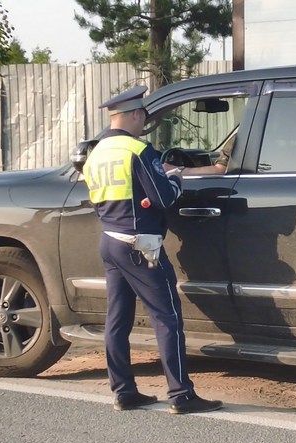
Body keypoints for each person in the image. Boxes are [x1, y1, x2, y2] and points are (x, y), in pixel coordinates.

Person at [83, 85, 223, 414]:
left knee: (117, 321)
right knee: (168, 317)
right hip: (139, 246)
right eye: (143, 115)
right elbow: (162, 197)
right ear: (134, 114)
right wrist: (175, 179)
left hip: (110, 241)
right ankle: (181, 395)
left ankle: (124, 392)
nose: (143, 121)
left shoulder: (96, 153)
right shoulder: (137, 150)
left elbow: (99, 201)